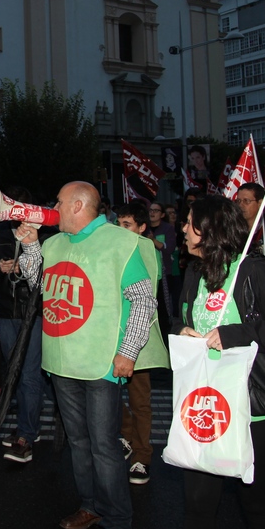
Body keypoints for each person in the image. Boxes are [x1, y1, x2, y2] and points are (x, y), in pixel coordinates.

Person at [15, 182, 168, 529]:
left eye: (59, 201)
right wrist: (31, 244)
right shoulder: (54, 244)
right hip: (63, 362)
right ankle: (90, 505)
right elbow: (38, 285)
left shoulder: (122, 242)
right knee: (79, 442)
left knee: (103, 446)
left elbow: (143, 301)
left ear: (79, 204)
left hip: (102, 363)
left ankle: (118, 525)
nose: (54, 206)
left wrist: (128, 352)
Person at [175, 196, 265, 529]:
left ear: (211, 231)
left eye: (190, 222)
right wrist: (182, 331)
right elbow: (177, 319)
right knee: (198, 502)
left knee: (255, 500)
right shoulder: (193, 272)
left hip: (255, 410)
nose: (183, 228)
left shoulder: (255, 271)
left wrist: (236, 334)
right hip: (205, 406)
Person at [0, 188, 47, 464]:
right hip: (8, 311)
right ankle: (27, 425)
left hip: (33, 311)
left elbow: (49, 272)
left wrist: (25, 267)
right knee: (16, 372)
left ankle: (26, 436)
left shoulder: (45, 234)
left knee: (29, 373)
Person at [113, 203, 162, 486]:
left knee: (140, 400)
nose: (121, 230)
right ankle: (129, 436)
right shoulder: (115, 248)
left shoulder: (145, 251)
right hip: (111, 337)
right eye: (118, 223)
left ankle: (142, 456)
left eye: (127, 224)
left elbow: (145, 299)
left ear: (142, 228)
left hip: (138, 340)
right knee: (107, 396)